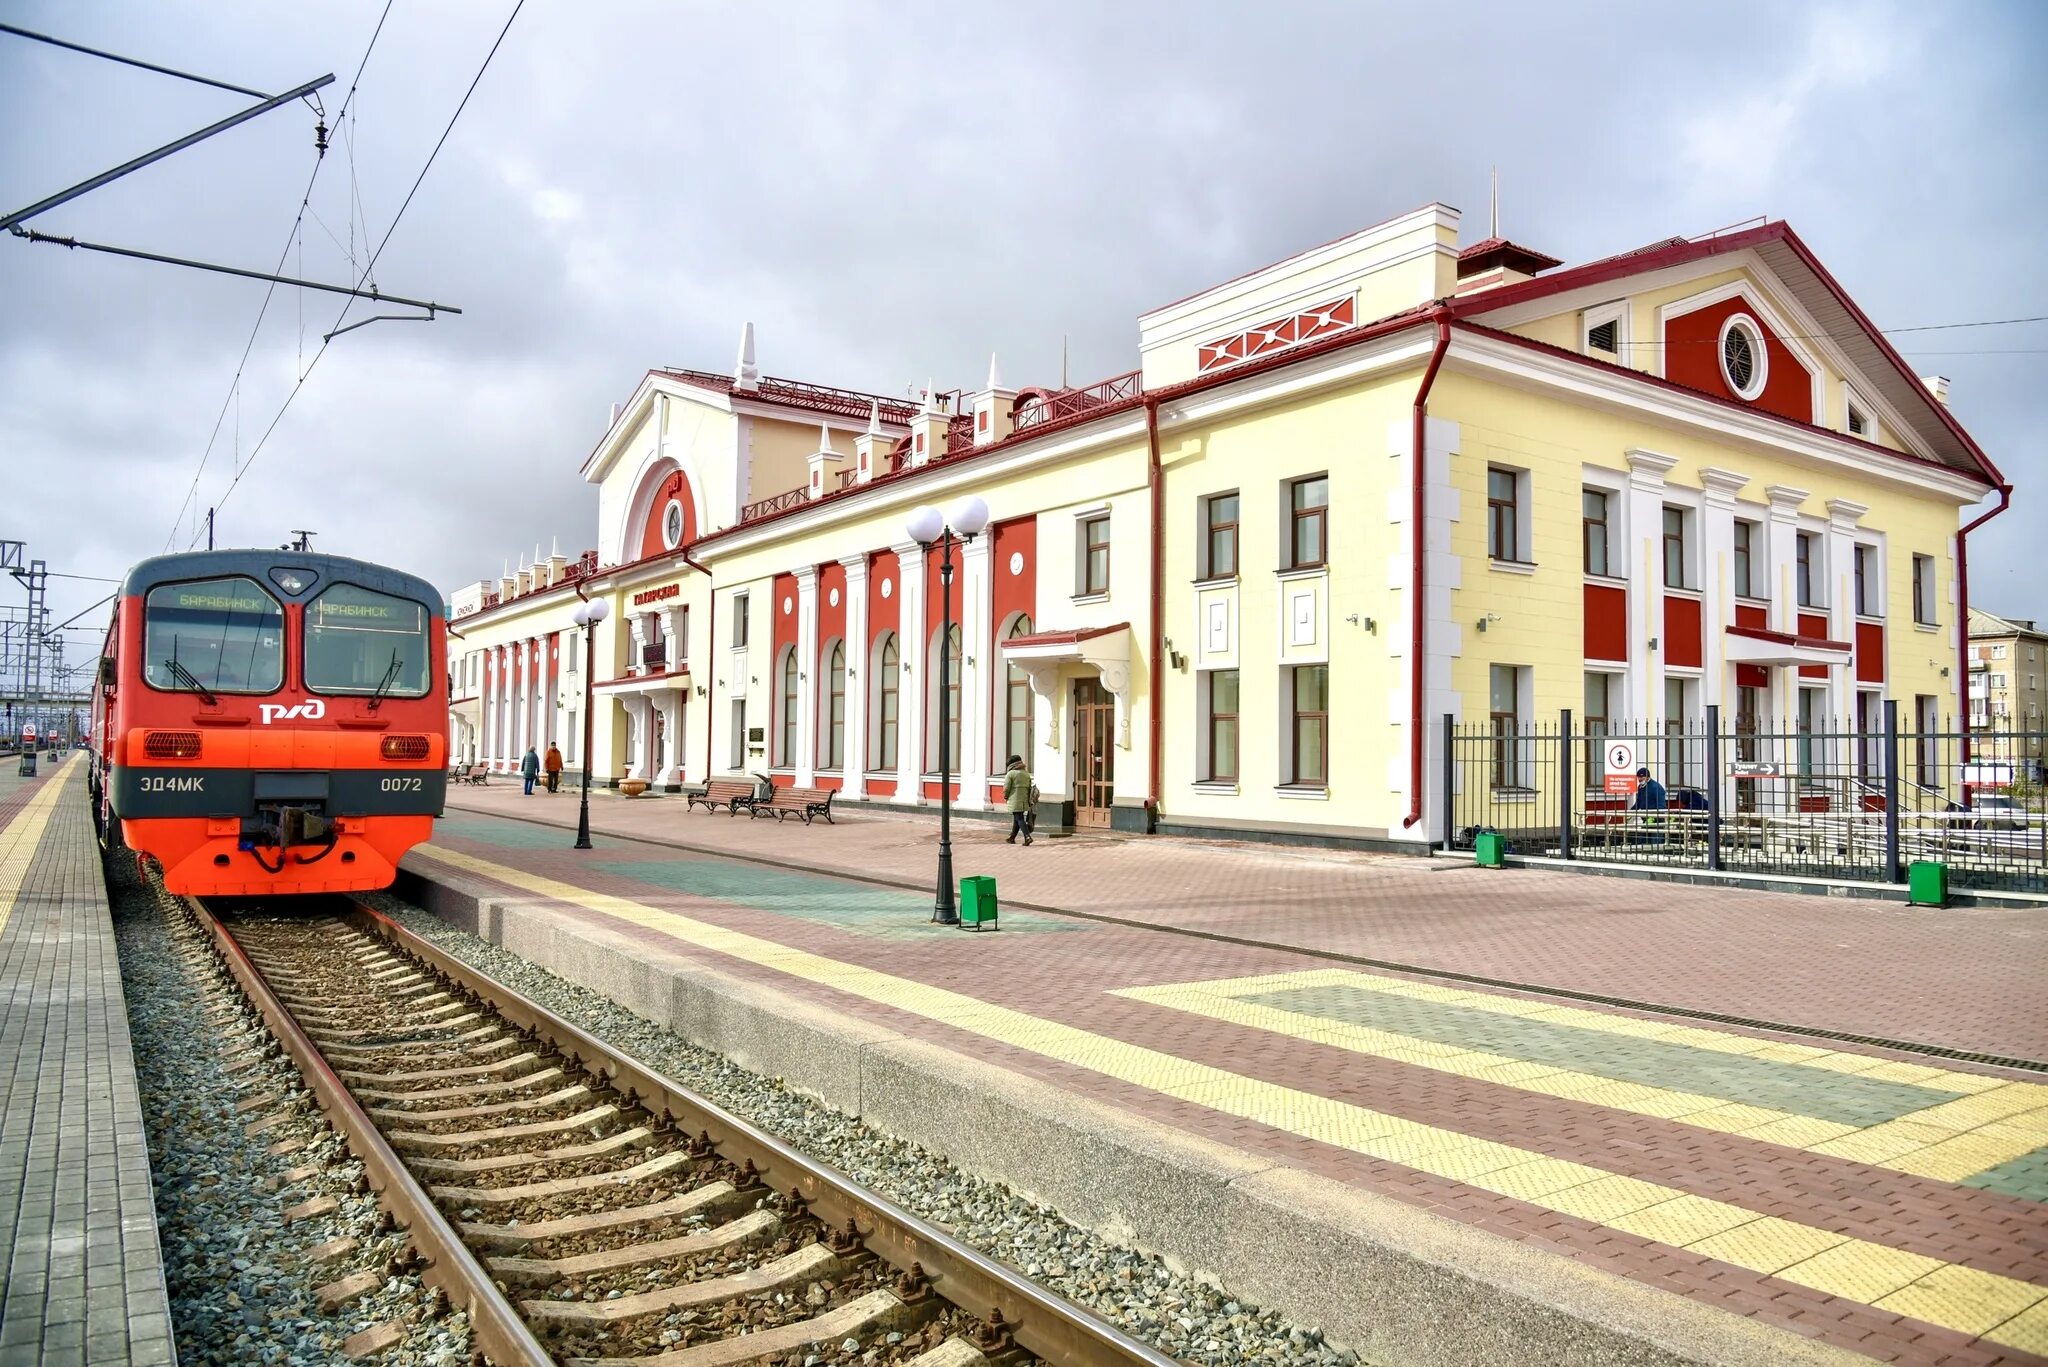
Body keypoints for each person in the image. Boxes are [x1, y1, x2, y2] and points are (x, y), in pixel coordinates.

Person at [1002, 754, 1034, 846]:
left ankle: (1027, 837)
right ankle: (1012, 838)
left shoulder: (1010, 774)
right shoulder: (1026, 773)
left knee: (1019, 818)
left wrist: (1005, 796)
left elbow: (1006, 788)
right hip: (1024, 799)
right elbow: (1029, 787)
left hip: (1014, 799)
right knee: (1017, 818)